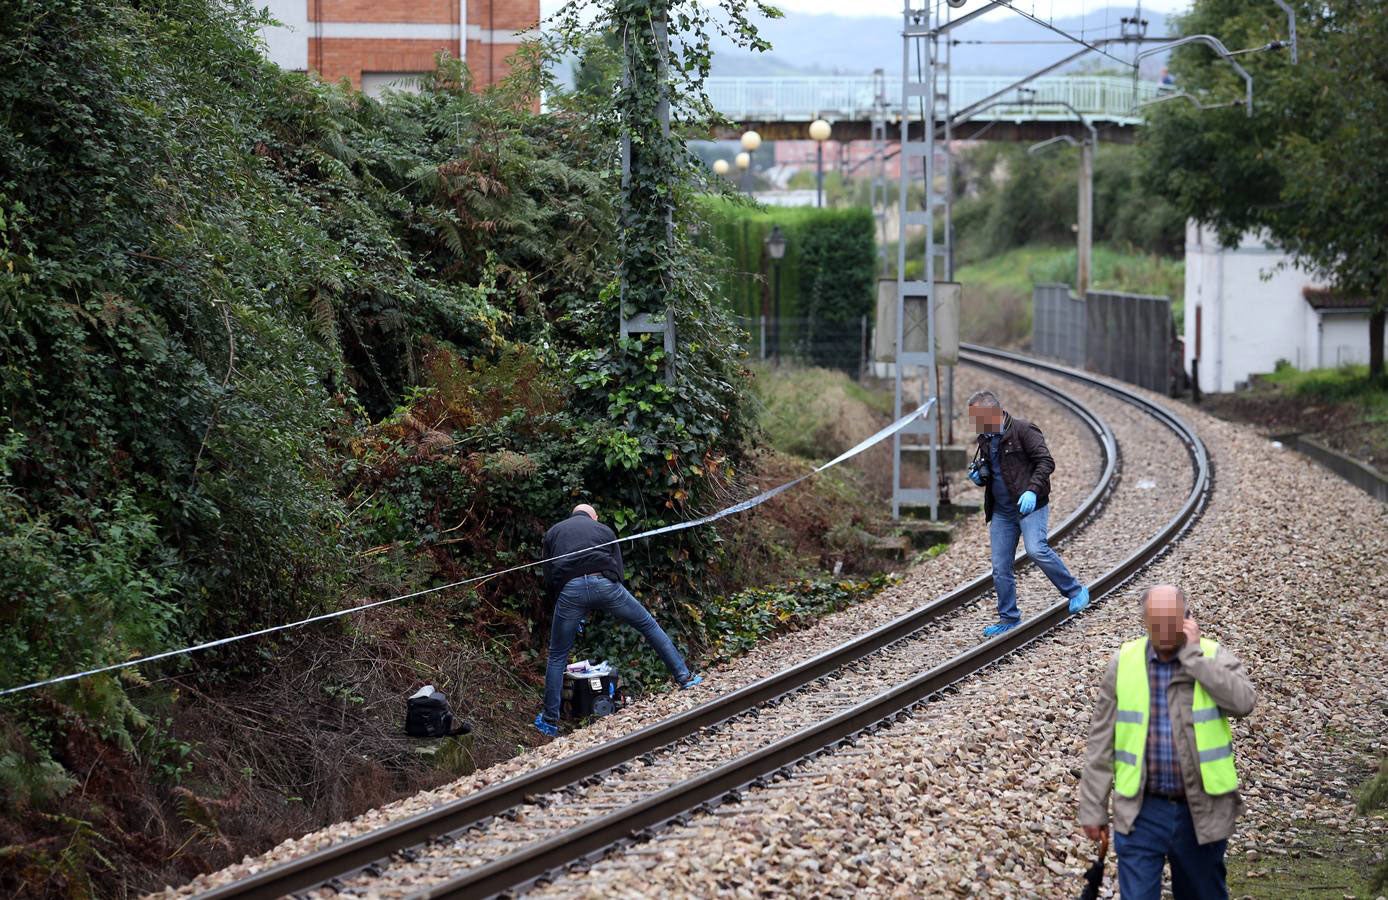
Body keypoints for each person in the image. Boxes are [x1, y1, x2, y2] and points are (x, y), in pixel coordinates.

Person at [1078, 585, 1257, 900]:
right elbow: (1101, 741)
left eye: (1170, 622)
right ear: (1144, 622)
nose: (1162, 631)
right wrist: (1093, 807)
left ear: (1187, 619)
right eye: (1155, 623)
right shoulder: (1125, 663)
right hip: (1141, 811)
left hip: (1201, 811)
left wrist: (1195, 658)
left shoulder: (1212, 655)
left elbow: (1243, 703)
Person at [535, 503, 702, 737]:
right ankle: (685, 678)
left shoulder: (554, 532)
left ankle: (550, 721)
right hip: (605, 585)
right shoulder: (604, 530)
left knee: (557, 655)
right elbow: (618, 571)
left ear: (573, 515)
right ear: (593, 516)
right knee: (648, 625)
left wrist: (565, 602)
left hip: (569, 590)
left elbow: (549, 574)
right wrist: (612, 595)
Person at [966, 389, 1089, 636]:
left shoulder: (1023, 430)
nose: (975, 424)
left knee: (1036, 549)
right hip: (1002, 511)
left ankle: (1075, 590)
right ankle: (1009, 618)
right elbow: (994, 470)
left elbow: (1046, 461)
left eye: (978, 417)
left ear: (994, 412)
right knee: (1000, 567)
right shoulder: (985, 438)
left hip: (1030, 505)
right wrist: (980, 478)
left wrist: (1032, 490)